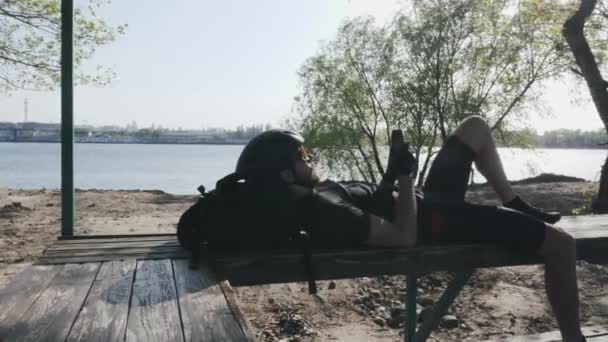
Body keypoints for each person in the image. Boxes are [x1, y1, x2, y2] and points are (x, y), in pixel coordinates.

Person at [235, 116, 584, 342]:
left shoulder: (313, 195)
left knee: (474, 127)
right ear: (284, 174)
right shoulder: (323, 208)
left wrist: (392, 174)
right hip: (438, 221)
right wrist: (405, 178)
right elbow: (405, 237)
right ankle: (574, 339)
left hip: (428, 201)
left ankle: (513, 201)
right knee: (562, 245)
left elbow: (371, 203)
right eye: (303, 155)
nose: (310, 158)